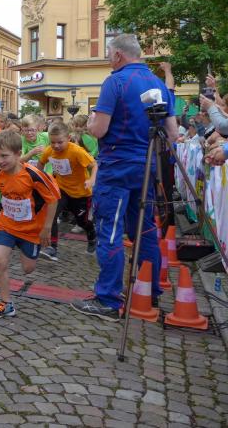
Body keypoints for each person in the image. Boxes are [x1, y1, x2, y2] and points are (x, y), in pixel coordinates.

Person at [71, 34, 178, 321]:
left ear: (118, 54)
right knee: (145, 229)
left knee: (110, 230)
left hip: (117, 165)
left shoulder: (115, 81)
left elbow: (100, 129)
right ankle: (149, 291)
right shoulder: (158, 84)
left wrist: (91, 123)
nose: (108, 59)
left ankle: (108, 299)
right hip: (146, 165)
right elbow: (173, 134)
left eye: (109, 54)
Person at [0, 130, 60, 318]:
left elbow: (53, 199)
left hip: (31, 231)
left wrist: (47, 228)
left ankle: (26, 249)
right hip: (6, 225)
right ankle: (6, 303)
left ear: (18, 154)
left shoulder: (33, 175)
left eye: (4, 156)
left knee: (28, 269)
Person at [37, 122, 98, 260]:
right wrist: (39, 178)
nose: (56, 146)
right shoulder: (49, 151)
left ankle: (92, 235)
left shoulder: (76, 151)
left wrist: (91, 180)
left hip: (81, 193)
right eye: (53, 142)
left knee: (82, 222)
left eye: (60, 142)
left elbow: (94, 165)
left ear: (68, 138)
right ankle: (52, 247)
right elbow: (41, 162)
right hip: (61, 190)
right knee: (51, 215)